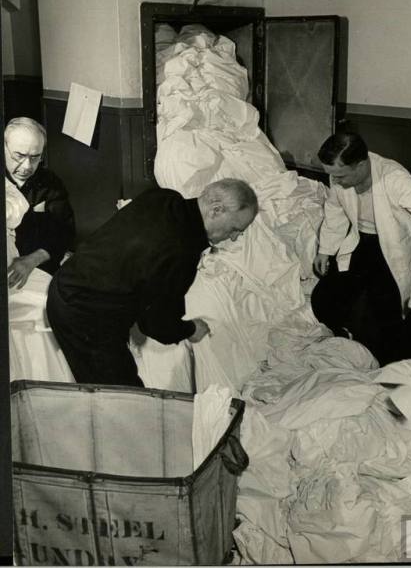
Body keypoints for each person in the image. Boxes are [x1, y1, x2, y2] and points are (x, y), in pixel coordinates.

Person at [46, 178, 258, 386]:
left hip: (69, 281)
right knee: (122, 398)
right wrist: (191, 329)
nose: (234, 238)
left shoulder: (164, 197)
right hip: (83, 312)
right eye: (234, 229)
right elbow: (156, 324)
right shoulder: (182, 249)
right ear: (216, 210)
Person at [311, 132, 411, 365]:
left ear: (361, 165)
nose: (335, 182)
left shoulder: (394, 178)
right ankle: (344, 337)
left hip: (394, 248)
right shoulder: (339, 177)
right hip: (362, 242)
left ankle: (390, 364)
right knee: (324, 297)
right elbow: (335, 210)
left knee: (388, 313)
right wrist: (325, 250)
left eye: (340, 175)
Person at [4, 117, 75, 288]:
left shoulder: (50, 182)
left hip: (39, 268)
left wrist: (32, 260)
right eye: (19, 156)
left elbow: (65, 232)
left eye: (35, 157)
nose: (27, 166)